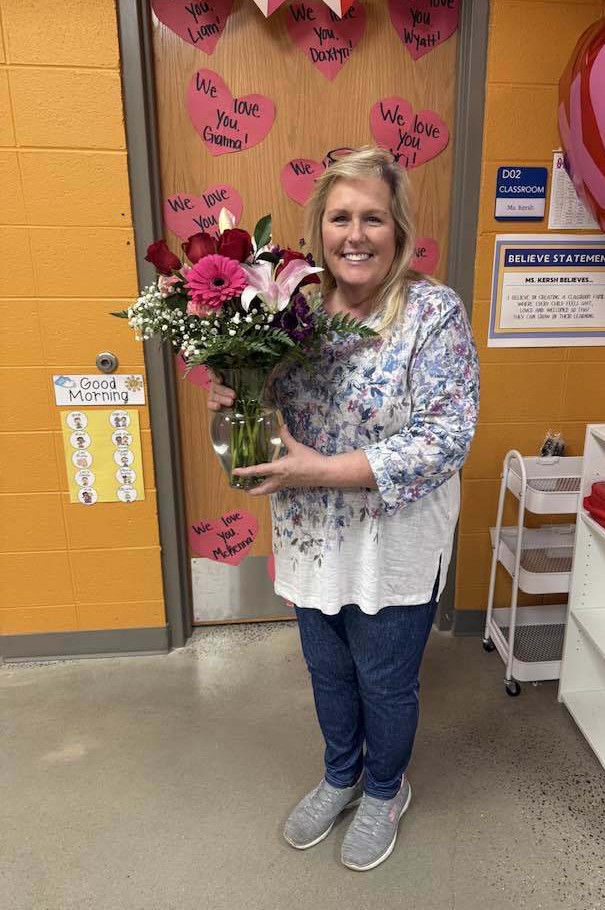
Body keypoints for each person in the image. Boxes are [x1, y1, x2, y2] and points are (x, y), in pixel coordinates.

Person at [207, 146, 480, 871]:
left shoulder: (431, 312)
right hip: (309, 533)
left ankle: (386, 788)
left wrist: (319, 469)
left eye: (372, 218)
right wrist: (239, 394)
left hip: (393, 536)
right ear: (319, 228)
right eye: (339, 218)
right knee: (327, 671)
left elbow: (446, 438)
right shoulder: (286, 311)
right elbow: (273, 405)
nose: (354, 234)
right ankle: (340, 775)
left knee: (384, 678)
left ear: (398, 230)